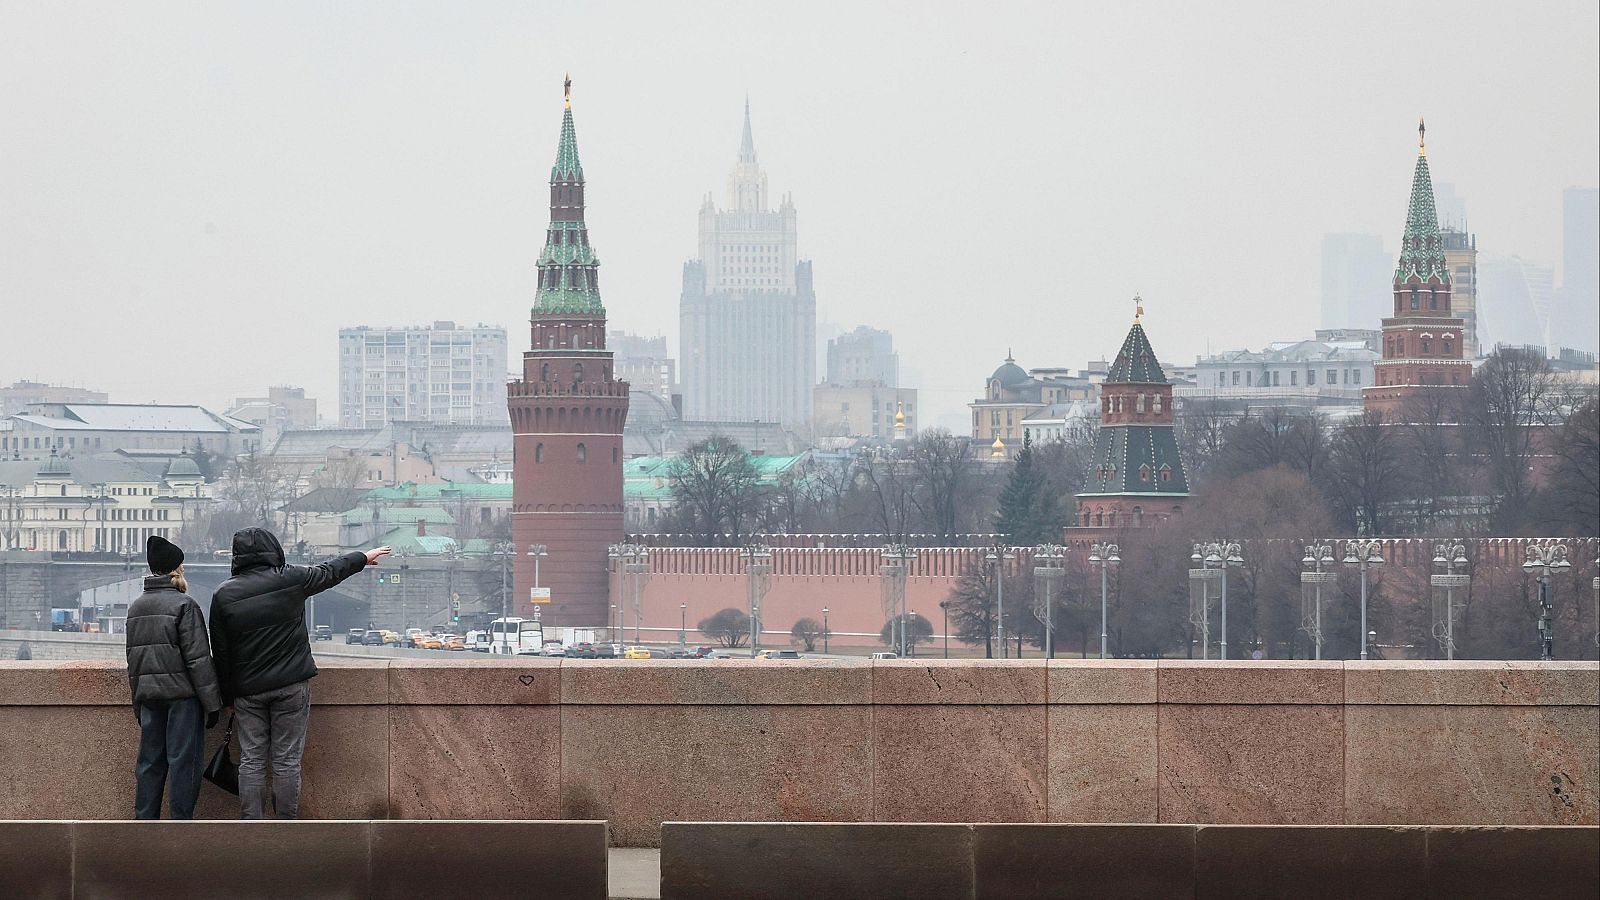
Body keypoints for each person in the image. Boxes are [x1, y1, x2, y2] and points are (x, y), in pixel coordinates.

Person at [209, 527, 389, 819]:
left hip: (248, 691)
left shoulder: (223, 594)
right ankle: (286, 826)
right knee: (286, 760)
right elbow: (329, 572)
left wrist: (228, 697)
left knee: (252, 759)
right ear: (274, 550)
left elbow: (221, 654)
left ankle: (250, 824)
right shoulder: (290, 579)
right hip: (291, 684)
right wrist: (362, 558)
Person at [125, 535, 222, 819]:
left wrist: (137, 703)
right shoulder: (185, 605)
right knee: (183, 762)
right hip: (182, 698)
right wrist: (212, 704)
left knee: (149, 763)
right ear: (177, 569)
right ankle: (179, 826)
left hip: (149, 696)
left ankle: (145, 824)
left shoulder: (136, 607)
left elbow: (134, 662)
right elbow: (198, 660)